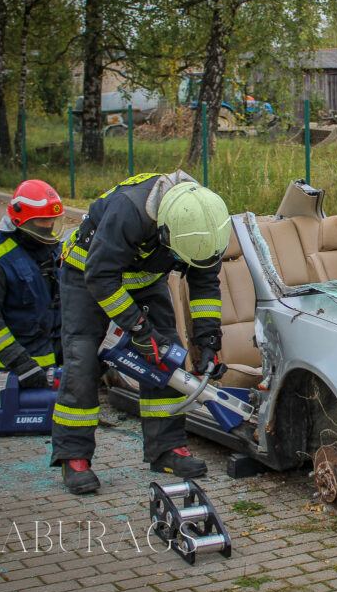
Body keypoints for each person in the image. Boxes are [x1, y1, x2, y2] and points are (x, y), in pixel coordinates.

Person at [52, 171, 231, 494]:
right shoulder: (128, 210)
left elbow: (204, 283)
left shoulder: (203, 220)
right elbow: (101, 277)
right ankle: (74, 456)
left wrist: (208, 340)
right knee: (82, 362)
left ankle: (166, 450)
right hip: (87, 276)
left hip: (145, 280)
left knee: (168, 356)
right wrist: (138, 328)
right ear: (164, 230)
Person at [0, 179, 64, 413]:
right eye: (42, 221)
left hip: (46, 349)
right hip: (9, 360)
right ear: (21, 220)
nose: (49, 227)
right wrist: (21, 364)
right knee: (36, 404)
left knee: (70, 397)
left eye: (52, 221)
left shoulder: (50, 250)